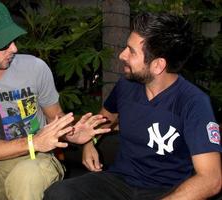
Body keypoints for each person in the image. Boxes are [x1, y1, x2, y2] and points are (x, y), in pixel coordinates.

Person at [0, 1, 110, 200]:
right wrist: (33, 141)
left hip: (36, 160)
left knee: (28, 176)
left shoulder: (35, 68)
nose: (14, 48)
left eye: (13, 39)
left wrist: (72, 134)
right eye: (3, 43)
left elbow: (55, 118)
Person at [43, 12, 222, 200]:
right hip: (119, 182)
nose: (122, 55)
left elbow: (211, 179)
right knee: (58, 194)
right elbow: (104, 121)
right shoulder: (126, 85)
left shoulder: (193, 102)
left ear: (158, 65)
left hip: (166, 191)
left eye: (131, 51)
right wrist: (89, 142)